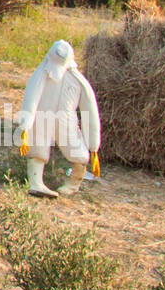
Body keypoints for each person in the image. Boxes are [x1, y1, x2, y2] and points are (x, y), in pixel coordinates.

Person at [16, 39, 101, 197]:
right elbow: (31, 98)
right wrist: (25, 125)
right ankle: (36, 183)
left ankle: (74, 183)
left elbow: (90, 109)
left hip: (66, 121)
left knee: (76, 150)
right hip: (42, 117)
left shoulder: (77, 80)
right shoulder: (42, 74)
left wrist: (93, 145)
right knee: (38, 147)